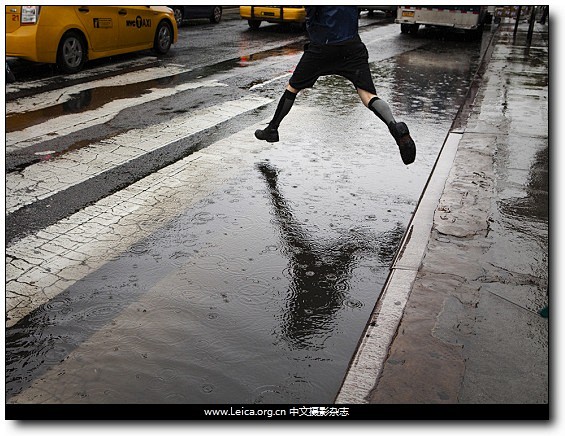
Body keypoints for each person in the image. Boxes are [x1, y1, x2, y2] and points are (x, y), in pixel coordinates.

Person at [254, 5, 416, 165]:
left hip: (322, 46)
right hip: (351, 47)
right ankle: (394, 126)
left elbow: (311, 12)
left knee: (293, 88)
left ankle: (273, 129)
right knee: (368, 95)